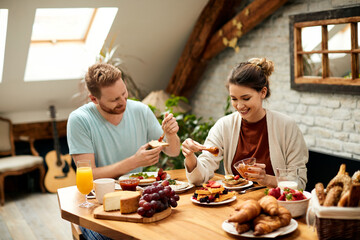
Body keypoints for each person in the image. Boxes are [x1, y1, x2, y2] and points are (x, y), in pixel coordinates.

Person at [67, 63, 180, 240]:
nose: (123, 102)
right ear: (94, 99)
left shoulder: (141, 110)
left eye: (124, 93)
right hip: (99, 204)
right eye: (114, 100)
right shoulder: (80, 120)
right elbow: (90, 175)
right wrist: (135, 161)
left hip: (137, 199)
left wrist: (171, 135)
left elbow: (173, 152)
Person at [182, 58, 308, 190]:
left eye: (246, 98)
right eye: (234, 99)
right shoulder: (224, 126)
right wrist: (190, 156)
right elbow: (199, 179)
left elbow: (299, 184)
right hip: (236, 205)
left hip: (275, 204)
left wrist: (266, 179)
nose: (239, 106)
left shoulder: (287, 127)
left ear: (263, 92)